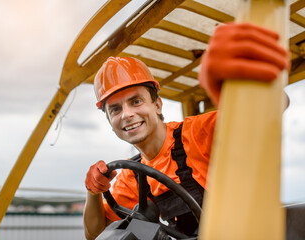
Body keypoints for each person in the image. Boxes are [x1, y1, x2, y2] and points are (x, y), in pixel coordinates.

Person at [83, 22, 288, 239]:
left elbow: (275, 104)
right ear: (109, 120)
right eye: (115, 109)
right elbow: (97, 233)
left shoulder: (198, 133)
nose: (126, 114)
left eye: (135, 101)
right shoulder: (134, 175)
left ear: (157, 105)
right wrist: (93, 191)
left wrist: (237, 79)